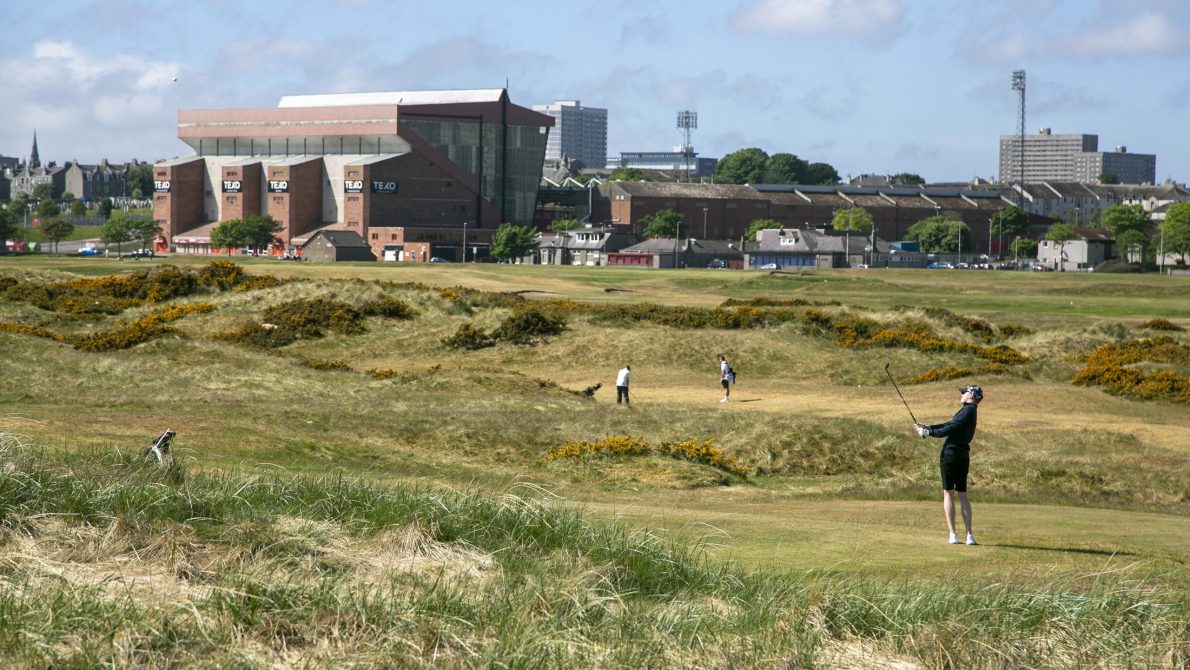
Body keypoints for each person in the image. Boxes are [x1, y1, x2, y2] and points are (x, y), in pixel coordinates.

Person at [915, 384, 983, 545]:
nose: (961, 395)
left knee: (948, 493)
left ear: (971, 395)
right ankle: (969, 535)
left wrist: (928, 433)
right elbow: (950, 424)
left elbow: (951, 428)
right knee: (962, 494)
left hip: (951, 454)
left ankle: (953, 534)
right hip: (963, 455)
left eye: (964, 393)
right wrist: (929, 427)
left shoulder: (967, 410)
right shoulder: (970, 411)